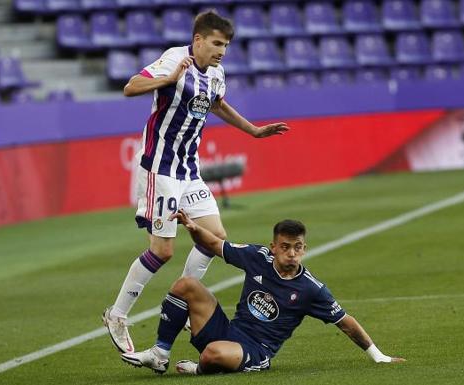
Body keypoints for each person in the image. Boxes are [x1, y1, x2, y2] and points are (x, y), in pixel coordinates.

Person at [102, 11, 290, 354]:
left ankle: (181, 297)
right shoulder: (176, 59)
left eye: (226, 45)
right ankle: (116, 315)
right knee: (163, 250)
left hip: (189, 171)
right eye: (217, 43)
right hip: (160, 169)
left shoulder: (217, 73)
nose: (222, 50)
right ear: (199, 40)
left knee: (215, 236)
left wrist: (254, 131)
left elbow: (217, 105)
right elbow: (131, 87)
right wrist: (169, 78)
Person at [120, 211, 406, 374]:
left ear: (304, 249)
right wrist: (193, 227)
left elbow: (346, 323)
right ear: (273, 246)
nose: (291, 253)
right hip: (228, 329)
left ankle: (198, 369)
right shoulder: (258, 257)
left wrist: (377, 355)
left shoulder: (311, 289)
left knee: (211, 354)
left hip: (255, 351)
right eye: (285, 246)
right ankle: (160, 353)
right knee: (186, 285)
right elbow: (216, 245)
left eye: (297, 247)